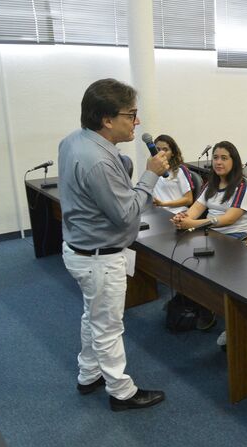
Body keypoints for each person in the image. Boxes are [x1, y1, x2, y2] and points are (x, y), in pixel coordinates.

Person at [58, 78, 168, 411]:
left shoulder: (74, 141)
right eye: (131, 114)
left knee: (92, 316)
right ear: (107, 120)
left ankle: (88, 373)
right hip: (100, 258)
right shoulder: (99, 161)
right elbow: (126, 214)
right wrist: (150, 175)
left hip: (80, 248)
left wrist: (127, 171)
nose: (137, 121)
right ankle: (122, 392)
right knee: (108, 326)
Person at [172, 141, 247, 239]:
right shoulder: (211, 184)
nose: (218, 162)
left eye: (224, 158)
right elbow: (196, 208)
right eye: (215, 158)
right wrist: (183, 218)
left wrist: (192, 224)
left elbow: (229, 219)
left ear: (234, 162)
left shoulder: (244, 186)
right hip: (211, 232)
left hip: (235, 237)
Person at [151, 134, 195, 214]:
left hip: (176, 213)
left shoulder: (180, 170)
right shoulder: (152, 169)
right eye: (157, 149)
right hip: (157, 212)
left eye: (165, 149)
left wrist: (163, 204)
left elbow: (189, 199)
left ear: (172, 153)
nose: (161, 153)